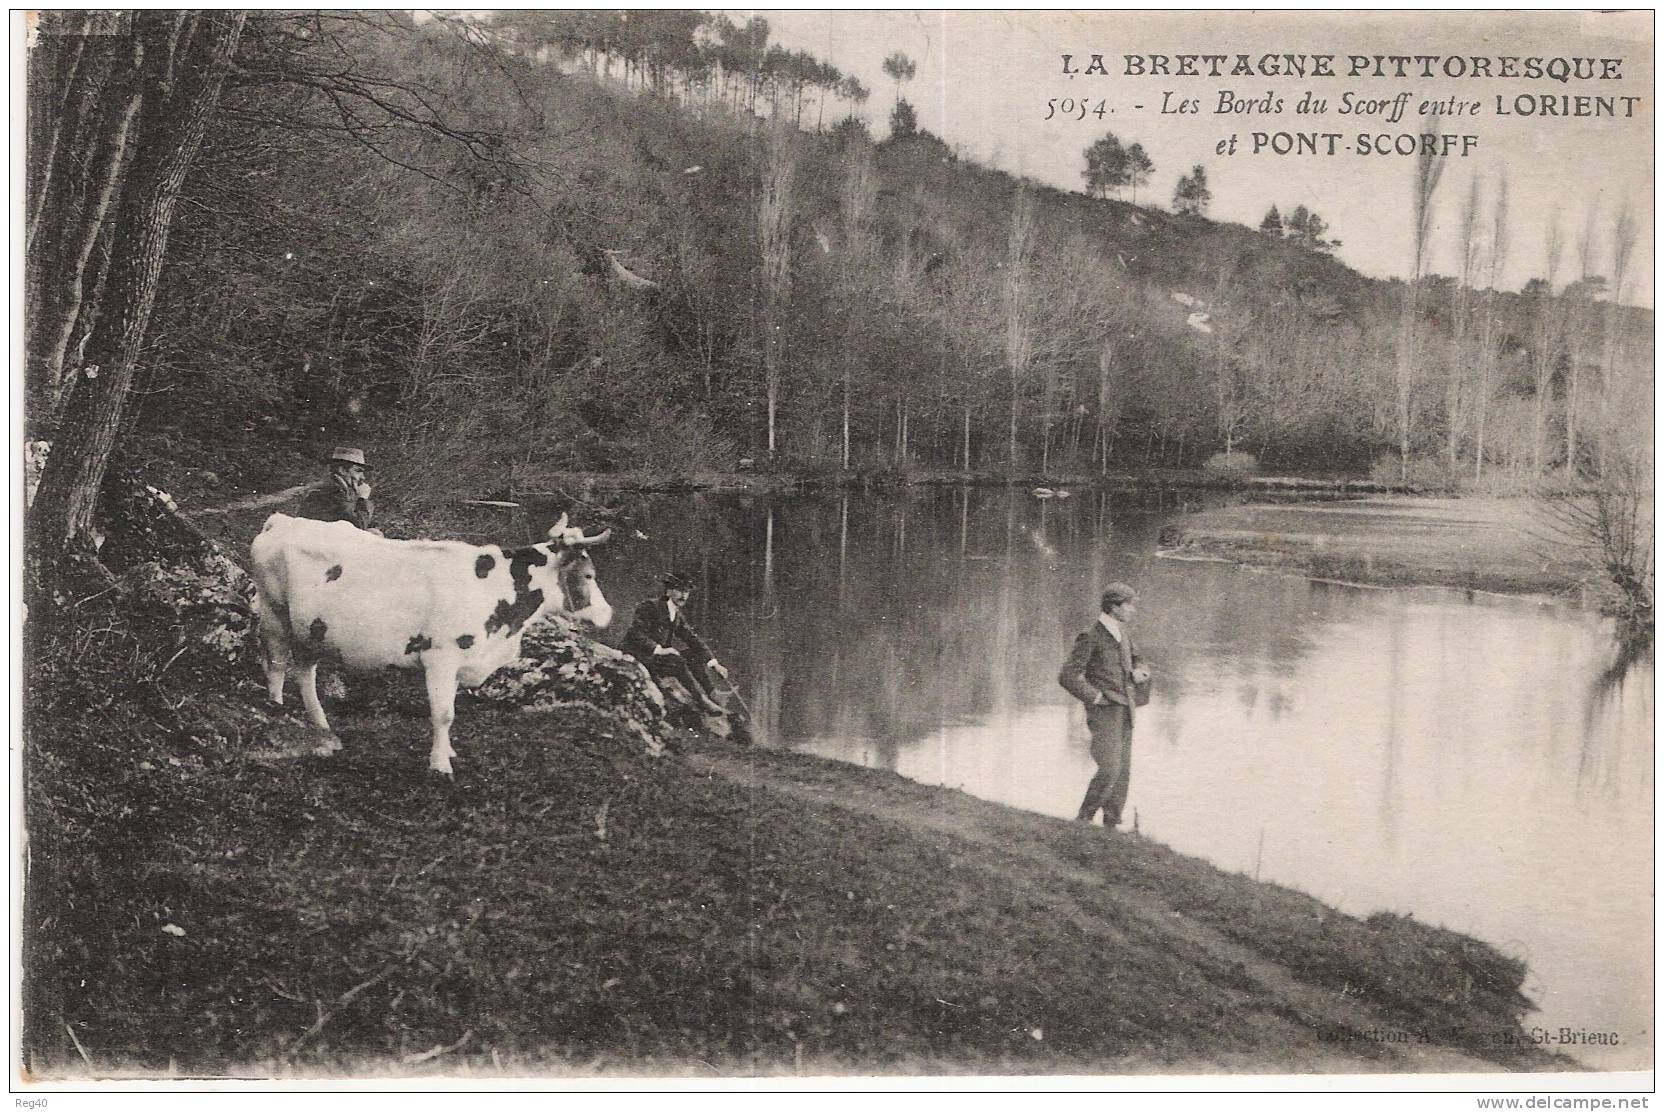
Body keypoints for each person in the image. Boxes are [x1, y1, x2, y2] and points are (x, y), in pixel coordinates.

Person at [1059, 582, 1152, 830]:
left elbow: (1138, 658)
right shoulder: (1091, 636)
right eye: (1129, 605)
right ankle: (1083, 821)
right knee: (1110, 768)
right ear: (1114, 607)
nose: (1133, 610)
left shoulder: (1122, 634)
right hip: (1104, 713)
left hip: (1126, 711)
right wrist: (1095, 697)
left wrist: (1140, 670)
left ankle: (1111, 825)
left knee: (1122, 771)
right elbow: (1067, 676)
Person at [623, 572, 729, 716]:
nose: (684, 596)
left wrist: (714, 664)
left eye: (687, 592)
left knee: (693, 654)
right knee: (676, 659)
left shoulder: (676, 614)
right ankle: (702, 700)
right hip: (642, 655)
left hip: (659, 659)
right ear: (669, 590)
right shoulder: (650, 606)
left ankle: (712, 693)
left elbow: (693, 639)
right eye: (680, 590)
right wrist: (659, 649)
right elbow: (635, 634)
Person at [294, 447, 376, 531]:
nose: (363, 477)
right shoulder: (331, 491)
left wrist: (372, 528)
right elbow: (357, 526)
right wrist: (363, 499)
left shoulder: (340, 489)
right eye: (358, 471)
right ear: (342, 470)